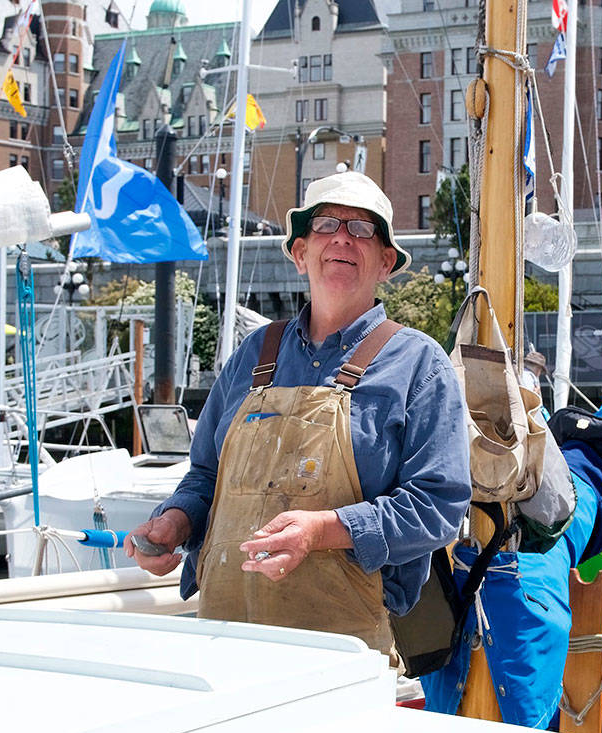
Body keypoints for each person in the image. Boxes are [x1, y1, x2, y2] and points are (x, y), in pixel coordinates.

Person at [125, 172, 472, 653]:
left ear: (386, 263)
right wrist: (175, 522)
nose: (343, 238)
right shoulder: (253, 354)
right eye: (327, 225)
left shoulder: (419, 363)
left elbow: (440, 507)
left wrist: (325, 531)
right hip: (227, 636)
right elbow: (205, 475)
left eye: (363, 229)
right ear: (300, 253)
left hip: (343, 652)